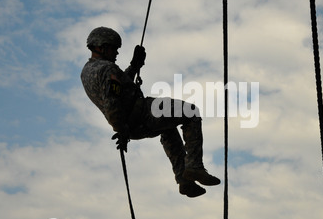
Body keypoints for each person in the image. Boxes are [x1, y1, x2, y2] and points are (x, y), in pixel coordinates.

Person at [81, 27, 220, 198]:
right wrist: (120, 128)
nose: (117, 52)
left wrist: (134, 66)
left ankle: (184, 180)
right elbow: (112, 101)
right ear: (101, 47)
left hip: (134, 127)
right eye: (114, 48)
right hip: (143, 113)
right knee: (191, 112)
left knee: (168, 128)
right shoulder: (107, 68)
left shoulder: (88, 72)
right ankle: (194, 166)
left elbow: (118, 92)